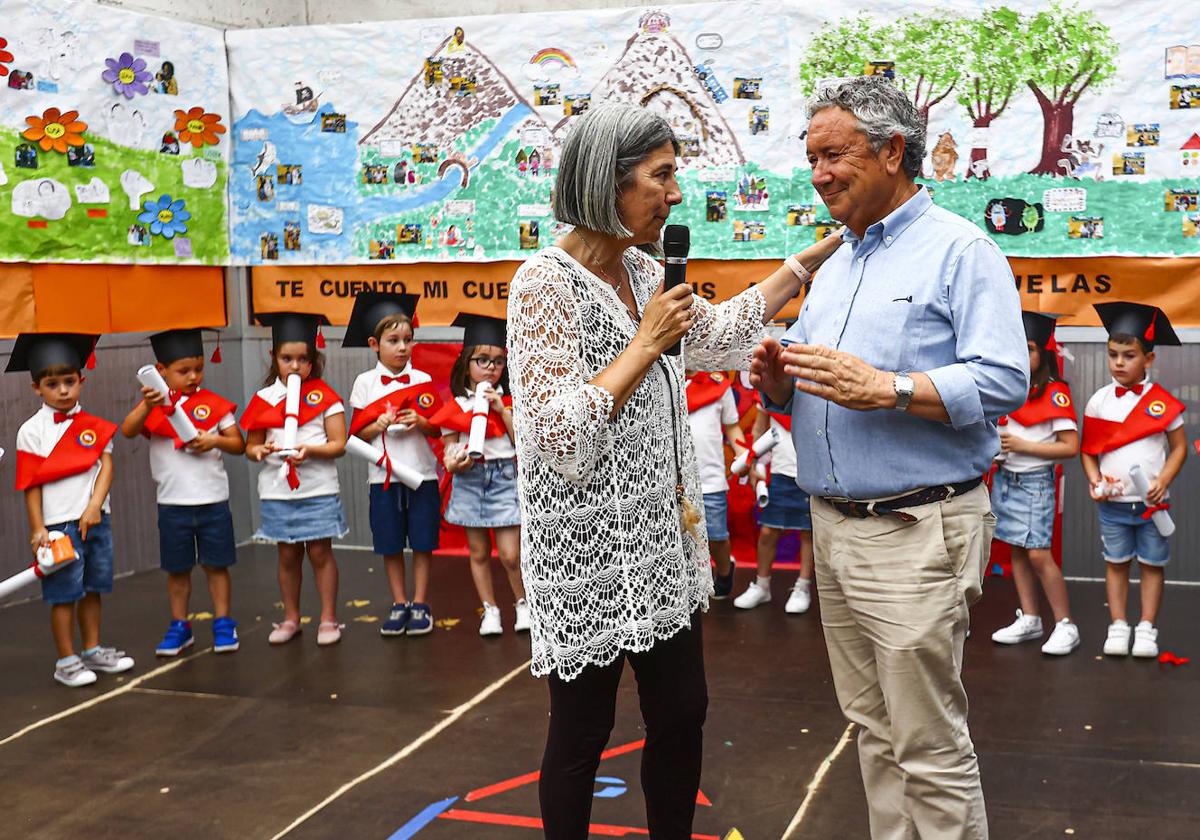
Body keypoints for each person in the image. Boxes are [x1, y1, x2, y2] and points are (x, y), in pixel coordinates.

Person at [506, 103, 843, 839]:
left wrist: (802, 266)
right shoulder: (543, 285)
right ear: (608, 182)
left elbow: (717, 338)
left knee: (684, 714)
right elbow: (560, 439)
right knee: (581, 736)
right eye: (661, 176)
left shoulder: (642, 268)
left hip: (663, 548)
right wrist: (644, 344)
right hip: (588, 557)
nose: (676, 194)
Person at [751, 76, 1027, 840]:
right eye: (811, 158)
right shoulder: (832, 264)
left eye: (834, 155)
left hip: (916, 531)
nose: (819, 174)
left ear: (892, 151)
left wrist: (891, 388)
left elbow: (1005, 379)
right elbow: (825, 388)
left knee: (927, 746)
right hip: (833, 530)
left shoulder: (961, 251)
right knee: (872, 732)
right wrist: (781, 390)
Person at [9, 333, 135, 687]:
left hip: (96, 520)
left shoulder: (96, 427)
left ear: (81, 380)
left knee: (93, 588)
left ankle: (92, 649)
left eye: (69, 381)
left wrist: (95, 506)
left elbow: (106, 468)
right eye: (52, 384)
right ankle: (66, 661)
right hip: (57, 527)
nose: (63, 390)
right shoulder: (30, 432)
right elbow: (30, 485)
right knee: (64, 595)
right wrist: (38, 530)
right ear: (37, 388)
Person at [121, 328, 245, 656]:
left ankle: (223, 621)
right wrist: (148, 405)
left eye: (199, 368)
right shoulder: (154, 406)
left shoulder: (214, 404)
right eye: (183, 370)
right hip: (172, 503)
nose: (193, 376)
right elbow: (128, 430)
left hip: (212, 500)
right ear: (161, 371)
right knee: (177, 569)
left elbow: (238, 443)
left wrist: (214, 440)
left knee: (217, 565)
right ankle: (180, 625)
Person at [1081, 302, 1187, 659]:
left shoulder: (1162, 403)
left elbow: (1179, 448)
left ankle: (1146, 627)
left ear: (1149, 359)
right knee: (1116, 562)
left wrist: (1165, 478)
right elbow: (1088, 451)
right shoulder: (1099, 401)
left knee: (1152, 565)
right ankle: (1118, 624)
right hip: (1113, 505)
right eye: (1113, 355)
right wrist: (1095, 480)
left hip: (1152, 505)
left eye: (1129, 355)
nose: (1119, 363)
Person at [241, 313, 347, 646]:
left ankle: (328, 617)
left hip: (317, 488)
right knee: (287, 555)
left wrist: (310, 450)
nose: (295, 366)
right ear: (274, 358)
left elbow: (338, 444)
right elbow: (251, 446)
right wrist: (260, 451)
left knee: (319, 553)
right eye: (287, 359)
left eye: (303, 359)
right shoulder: (264, 399)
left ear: (313, 361)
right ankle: (291, 617)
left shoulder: (325, 397)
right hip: (277, 489)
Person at [345, 292, 442, 637]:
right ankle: (399, 602)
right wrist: (379, 425)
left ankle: (420, 602)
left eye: (407, 340)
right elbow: (356, 434)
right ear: (374, 344)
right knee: (389, 542)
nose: (402, 348)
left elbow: (439, 428)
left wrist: (421, 420)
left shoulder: (423, 382)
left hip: (422, 473)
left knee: (422, 541)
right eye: (393, 341)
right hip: (382, 477)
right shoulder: (365, 384)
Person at [990, 313, 1081, 655]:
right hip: (1007, 479)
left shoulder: (1055, 393)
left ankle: (1065, 624)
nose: (1021, 356)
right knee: (1016, 549)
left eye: (1028, 349)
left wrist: (1024, 446)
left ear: (1044, 353)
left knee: (1039, 554)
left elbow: (1070, 447)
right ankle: (1030, 618)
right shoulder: (1008, 391)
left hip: (1036, 482)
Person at [432, 313, 527, 636]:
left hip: (503, 479)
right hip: (470, 479)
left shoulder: (511, 403)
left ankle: (522, 604)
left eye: (498, 361)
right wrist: (455, 462)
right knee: (478, 552)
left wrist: (501, 409)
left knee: (511, 555)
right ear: (466, 363)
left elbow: (521, 444)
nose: (490, 367)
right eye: (482, 360)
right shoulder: (455, 407)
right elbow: (448, 454)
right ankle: (490, 610)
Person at [732, 395, 814, 613]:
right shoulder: (771, 391)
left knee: (809, 534)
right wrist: (755, 466)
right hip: (779, 473)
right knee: (768, 531)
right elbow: (759, 430)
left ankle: (803, 587)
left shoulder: (813, 392)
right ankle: (762, 585)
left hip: (810, 473)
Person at [684, 370, 746, 597]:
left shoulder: (718, 385)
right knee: (683, 538)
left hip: (710, 479)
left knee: (717, 537)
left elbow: (732, 426)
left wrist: (742, 452)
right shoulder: (664, 381)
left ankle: (724, 572)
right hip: (677, 482)